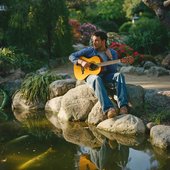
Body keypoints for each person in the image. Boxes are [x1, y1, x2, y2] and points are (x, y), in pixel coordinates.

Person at [69, 31, 128, 119]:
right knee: (96, 79)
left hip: (105, 76)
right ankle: (109, 109)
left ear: (103, 41)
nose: (94, 43)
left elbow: (112, 71)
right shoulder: (89, 50)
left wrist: (110, 58)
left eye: (96, 41)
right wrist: (81, 62)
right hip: (91, 76)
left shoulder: (112, 53)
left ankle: (123, 106)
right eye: (93, 40)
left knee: (119, 75)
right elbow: (72, 56)